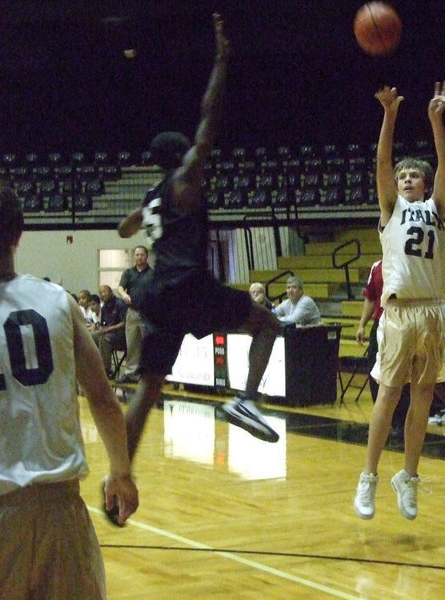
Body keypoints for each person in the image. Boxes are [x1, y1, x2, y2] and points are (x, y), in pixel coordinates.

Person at [0, 174, 138, 599]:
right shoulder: (58, 300)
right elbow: (103, 400)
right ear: (18, 235)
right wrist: (121, 472)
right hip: (62, 515)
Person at [117, 13, 282, 463]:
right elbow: (210, 115)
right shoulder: (183, 179)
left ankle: (120, 476)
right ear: (182, 157)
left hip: (155, 293)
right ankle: (246, 400)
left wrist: (140, 221)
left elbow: (122, 228)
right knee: (269, 324)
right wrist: (222, 62)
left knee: (148, 390)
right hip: (185, 284)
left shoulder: (153, 195)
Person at [353, 80, 445, 521]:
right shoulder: (390, 210)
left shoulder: (436, 208)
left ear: (425, 182)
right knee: (389, 396)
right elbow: (381, 160)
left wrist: (436, 119)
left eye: (414, 174)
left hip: (432, 311)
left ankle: (407, 477)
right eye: (402, 176)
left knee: (425, 397)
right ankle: (369, 477)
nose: (407, 179)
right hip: (397, 313)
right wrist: (390, 115)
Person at [356, 258, 409, 439]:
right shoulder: (376, 266)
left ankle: (400, 422)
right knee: (374, 373)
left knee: (400, 375)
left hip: (402, 322)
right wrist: (362, 324)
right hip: (380, 323)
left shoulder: (407, 262)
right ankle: (382, 421)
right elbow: (370, 297)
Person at [116, 245, 154, 383]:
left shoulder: (152, 273)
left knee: (147, 344)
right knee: (132, 344)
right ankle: (131, 373)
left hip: (147, 314)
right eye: (137, 255)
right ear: (134, 256)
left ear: (146, 256)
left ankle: (148, 375)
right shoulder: (128, 273)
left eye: (142, 255)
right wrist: (123, 294)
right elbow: (120, 287)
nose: (139, 257)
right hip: (132, 312)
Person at [92, 284, 127, 377]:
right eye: (100, 293)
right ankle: (95, 366)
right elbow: (103, 324)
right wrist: (100, 329)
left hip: (121, 335)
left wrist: (109, 329)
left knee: (104, 339)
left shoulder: (120, 304)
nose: (102, 295)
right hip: (108, 333)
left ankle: (106, 370)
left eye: (104, 292)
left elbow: (124, 323)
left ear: (111, 292)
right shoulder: (104, 308)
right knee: (91, 336)